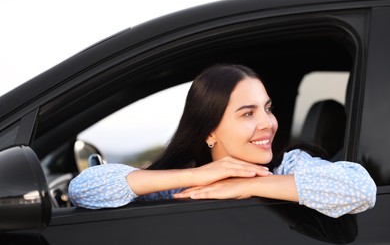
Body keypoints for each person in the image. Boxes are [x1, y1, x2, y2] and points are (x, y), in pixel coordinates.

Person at [69, 64, 376, 218]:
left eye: (267, 109)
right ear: (209, 131)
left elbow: (360, 190)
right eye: (247, 114)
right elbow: (84, 190)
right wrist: (197, 175)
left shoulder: (290, 166)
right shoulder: (182, 187)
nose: (267, 123)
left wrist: (248, 186)